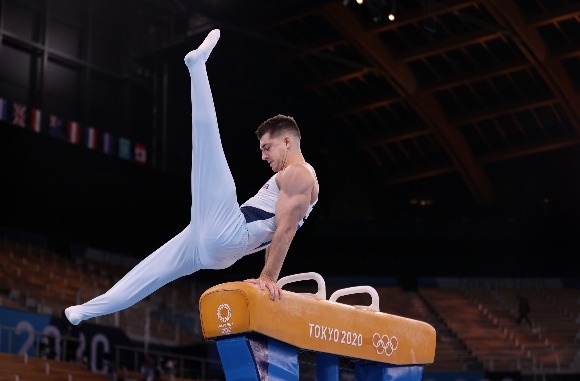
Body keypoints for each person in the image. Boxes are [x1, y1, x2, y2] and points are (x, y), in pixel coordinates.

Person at [63, 29, 318, 326]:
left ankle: (197, 67)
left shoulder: (300, 174)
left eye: (267, 147)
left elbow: (285, 230)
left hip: (229, 233)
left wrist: (268, 277)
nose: (263, 156)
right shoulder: (290, 178)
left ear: (287, 141)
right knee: (147, 274)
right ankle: (86, 311)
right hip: (212, 242)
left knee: (209, 146)